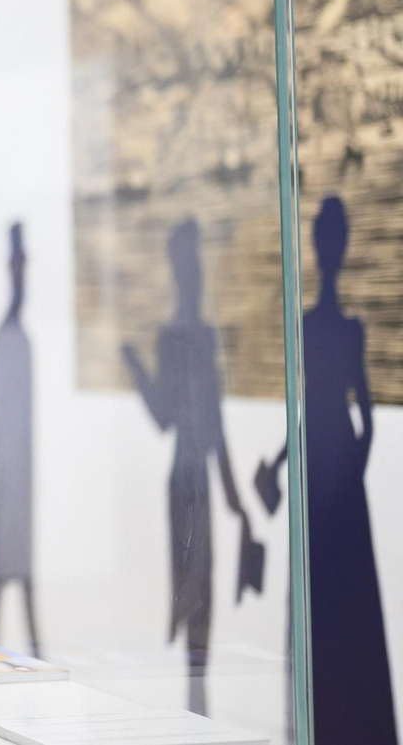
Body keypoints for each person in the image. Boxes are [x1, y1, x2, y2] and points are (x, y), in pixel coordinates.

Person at [261, 196, 396, 744]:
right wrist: (283, 463)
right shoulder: (316, 326)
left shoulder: (341, 329)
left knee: (338, 604)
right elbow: (314, 410)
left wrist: (349, 473)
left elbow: (361, 415)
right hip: (324, 473)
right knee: (324, 603)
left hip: (333, 478)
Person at [121, 217, 252, 716]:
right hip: (183, 482)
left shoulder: (200, 336)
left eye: (194, 259)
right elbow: (166, 417)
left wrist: (235, 492)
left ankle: (200, 699)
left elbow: (213, 422)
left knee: (204, 588)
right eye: (185, 260)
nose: (191, 270)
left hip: (196, 481)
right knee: (190, 589)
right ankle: (195, 700)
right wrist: (136, 370)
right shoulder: (176, 338)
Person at [0, 221, 41, 655]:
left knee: (18, 566)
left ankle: (28, 641)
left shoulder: (15, 337)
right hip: (10, 473)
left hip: (18, 473)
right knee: (7, 565)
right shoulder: (8, 338)